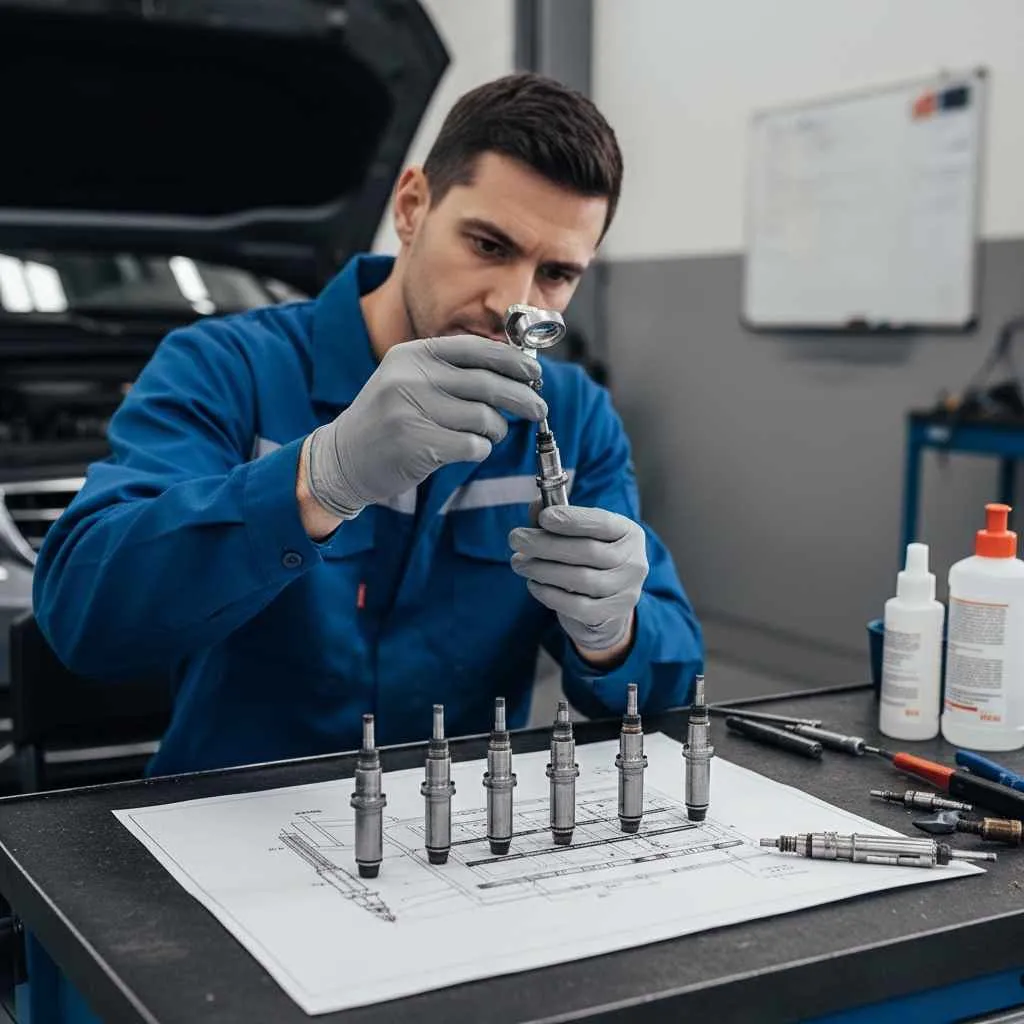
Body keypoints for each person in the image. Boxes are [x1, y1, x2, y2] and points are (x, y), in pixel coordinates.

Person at [33, 73, 703, 775]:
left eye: (557, 275)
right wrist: (316, 481)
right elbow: (85, 616)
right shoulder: (226, 367)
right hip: (228, 818)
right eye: (488, 246)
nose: (515, 303)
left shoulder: (572, 415)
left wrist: (614, 632)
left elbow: (668, 694)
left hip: (457, 833)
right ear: (413, 205)